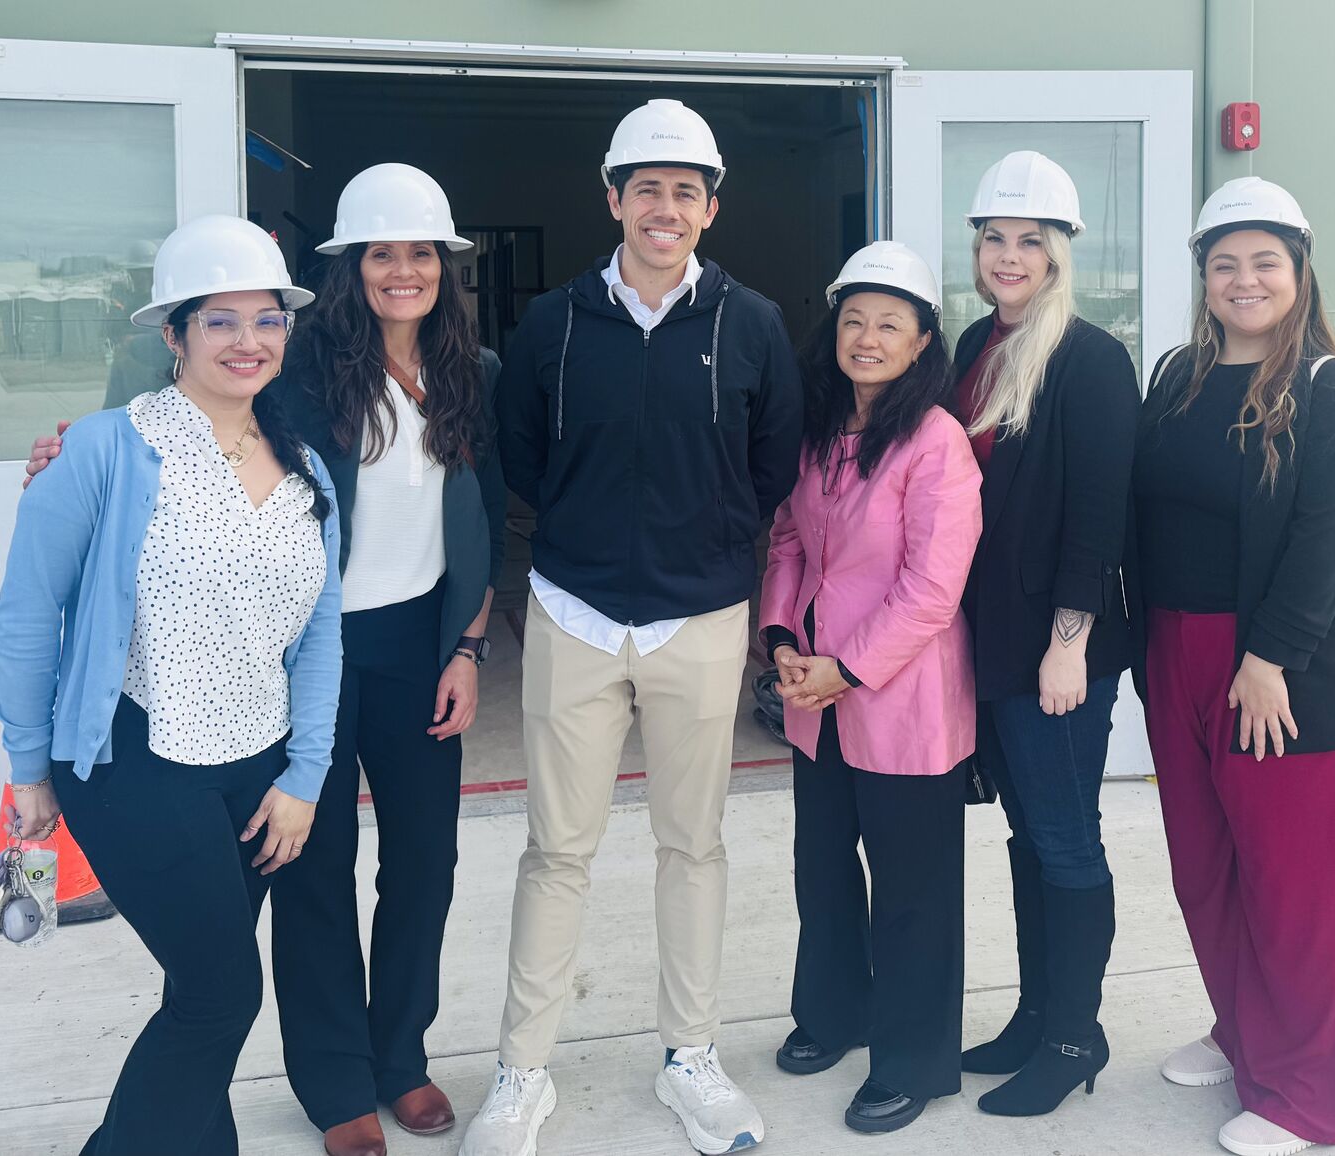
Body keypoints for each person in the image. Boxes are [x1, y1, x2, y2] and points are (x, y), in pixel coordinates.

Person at [25, 163, 506, 1156]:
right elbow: (188, 410)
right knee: (314, 867)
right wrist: (74, 453)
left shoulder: (475, 374)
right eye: (382, 253)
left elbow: (486, 524)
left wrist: (467, 646)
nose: (403, 271)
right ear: (350, 267)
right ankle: (334, 1080)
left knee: (425, 862)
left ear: (443, 267)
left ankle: (400, 1058)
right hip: (310, 655)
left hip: (422, 646)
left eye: (421, 253)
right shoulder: (295, 362)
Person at [465, 98, 801, 1156]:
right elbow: (520, 455)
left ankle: (689, 1057)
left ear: (711, 206)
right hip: (571, 611)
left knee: (691, 844)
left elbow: (771, 467)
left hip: (697, 622)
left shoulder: (750, 323)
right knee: (554, 849)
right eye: (645, 188)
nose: (665, 207)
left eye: (684, 191)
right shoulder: (554, 324)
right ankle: (521, 1072)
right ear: (611, 197)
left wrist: (702, 549)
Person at [0, 214, 339, 1156]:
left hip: (258, 771)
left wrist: (304, 775)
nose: (248, 341)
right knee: (225, 994)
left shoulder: (306, 466)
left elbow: (318, 637)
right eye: (219, 321)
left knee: (199, 993)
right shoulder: (102, 451)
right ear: (173, 335)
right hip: (138, 761)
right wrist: (29, 768)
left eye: (267, 321)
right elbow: (28, 617)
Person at [1132, 176, 1335, 1156]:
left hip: (1285, 671)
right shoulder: (1174, 377)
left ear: (1297, 272)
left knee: (1299, 891)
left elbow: (1324, 541)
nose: (1241, 279)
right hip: (1176, 654)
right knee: (1206, 869)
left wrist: (1266, 657)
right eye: (1222, 263)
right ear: (1201, 276)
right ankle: (1244, 1034)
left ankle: (1308, 1099)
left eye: (1262, 262)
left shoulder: (1332, 392)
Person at [758, 242, 980, 1135]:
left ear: (925, 341)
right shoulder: (817, 432)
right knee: (824, 872)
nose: (868, 336)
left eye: (891, 322)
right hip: (818, 700)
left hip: (902, 699)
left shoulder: (937, 442)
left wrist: (845, 668)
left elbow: (933, 587)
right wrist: (779, 635)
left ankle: (916, 1060)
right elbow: (785, 542)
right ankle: (835, 1014)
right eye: (854, 318)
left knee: (913, 889)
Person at [946, 151, 1141, 1117]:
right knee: (1028, 839)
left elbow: (1102, 515)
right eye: (995, 239)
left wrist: (1071, 640)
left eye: (1029, 241)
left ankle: (1075, 1036)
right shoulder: (973, 347)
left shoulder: (1093, 361)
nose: (1009, 255)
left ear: (1061, 254)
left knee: (1065, 843)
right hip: (990, 644)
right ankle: (1035, 1016)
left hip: (1056, 653)